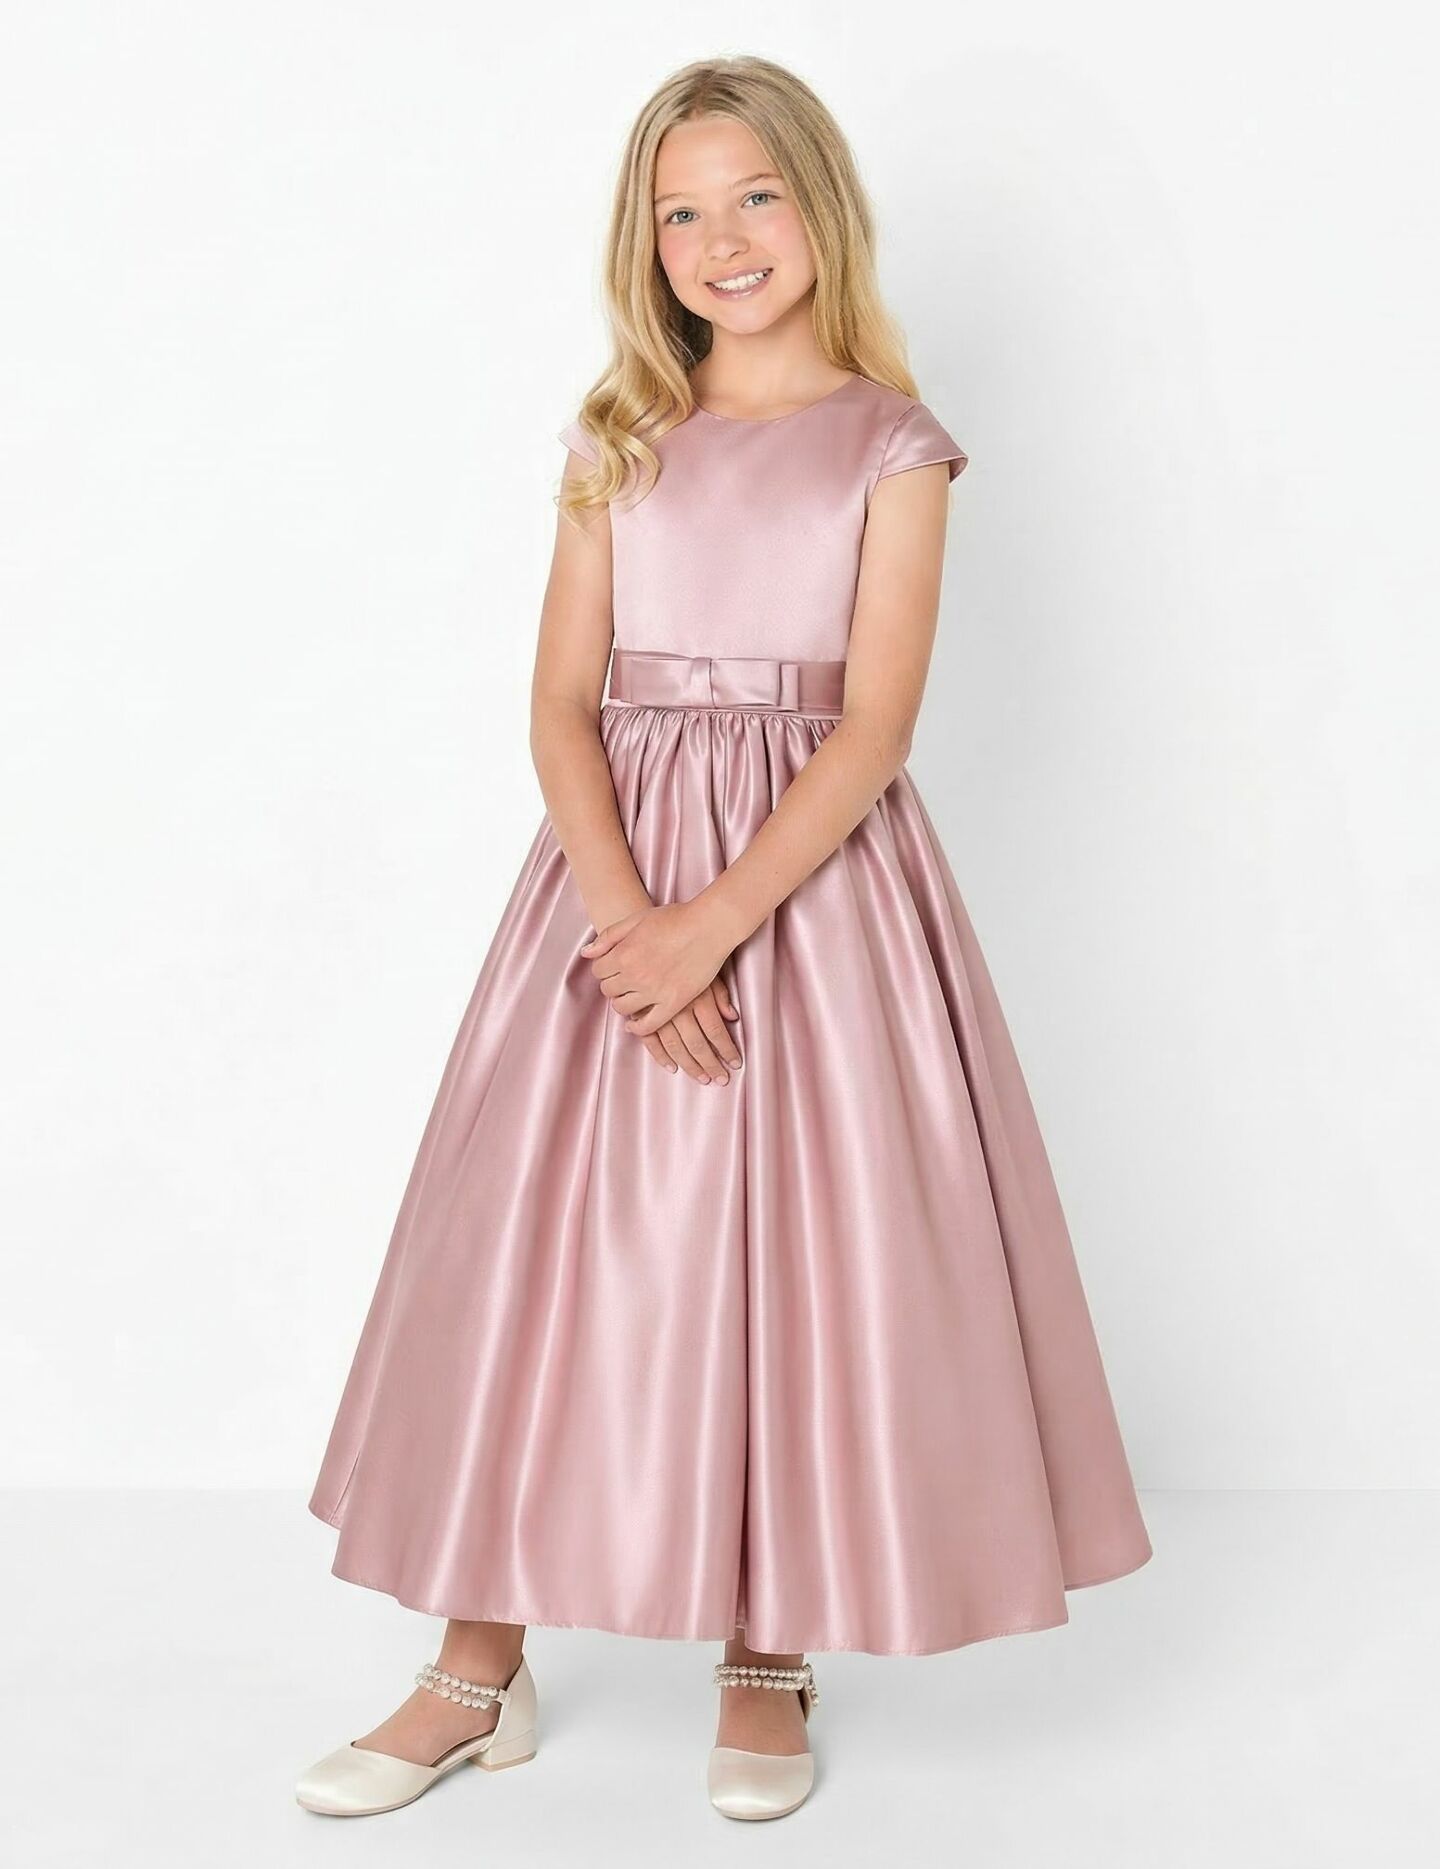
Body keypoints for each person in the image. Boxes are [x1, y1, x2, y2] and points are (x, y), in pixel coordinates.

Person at [294, 53, 1152, 1825]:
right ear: (647, 243)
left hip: (808, 897)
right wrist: (631, 926)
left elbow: (874, 725)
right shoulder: (621, 436)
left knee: (796, 1254)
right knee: (537, 1260)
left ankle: (771, 1645)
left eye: (754, 195)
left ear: (819, 206)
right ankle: (476, 1661)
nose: (722, 238)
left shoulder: (892, 444)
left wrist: (715, 928)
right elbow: (560, 700)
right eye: (681, 212)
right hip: (609, 894)